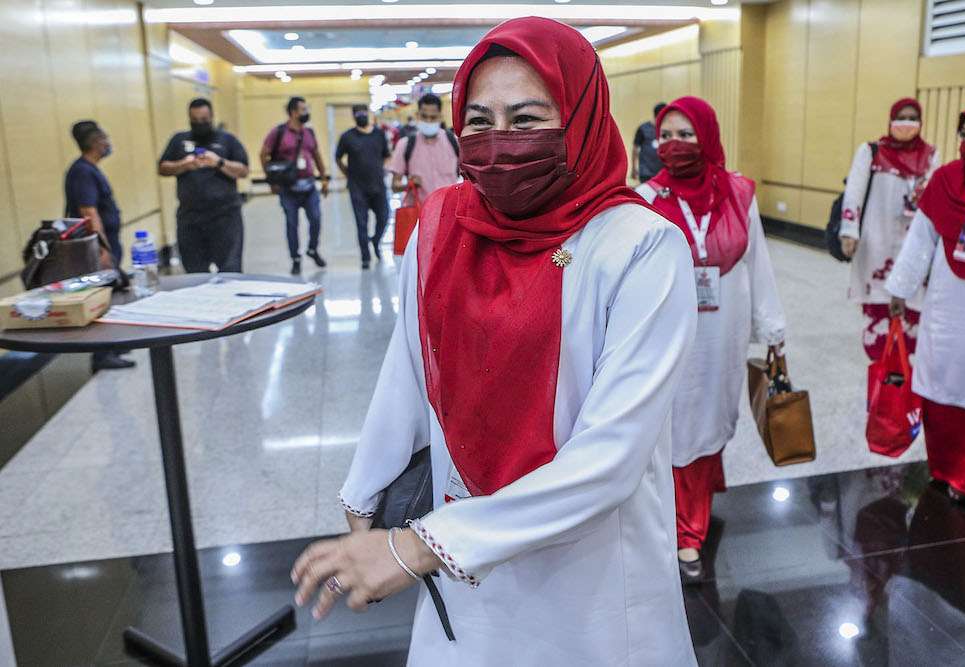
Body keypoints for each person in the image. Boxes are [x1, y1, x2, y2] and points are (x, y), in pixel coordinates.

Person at [293, 17, 699, 665]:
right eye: (478, 121)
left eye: (528, 117)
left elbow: (611, 458)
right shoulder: (441, 224)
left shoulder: (638, 245)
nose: (499, 141)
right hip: (460, 546)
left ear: (581, 119)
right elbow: (407, 372)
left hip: (588, 567)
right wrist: (364, 499)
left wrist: (420, 546)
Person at [635, 97, 787, 582]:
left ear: (708, 135)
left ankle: (698, 499)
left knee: (715, 413)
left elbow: (757, 263)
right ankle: (685, 527)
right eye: (667, 136)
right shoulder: (646, 198)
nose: (675, 145)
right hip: (672, 333)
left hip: (725, 331)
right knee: (679, 424)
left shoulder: (739, 193)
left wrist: (772, 331)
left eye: (686, 134)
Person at [886, 99, 965, 509]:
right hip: (950, 308)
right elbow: (921, 239)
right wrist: (900, 289)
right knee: (947, 384)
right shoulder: (948, 180)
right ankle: (951, 472)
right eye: (964, 135)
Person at [839, 98, 940, 360]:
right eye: (901, 117)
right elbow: (854, 194)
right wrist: (849, 231)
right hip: (876, 245)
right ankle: (881, 377)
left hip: (914, 247)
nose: (907, 123)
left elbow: (937, 199)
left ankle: (901, 387)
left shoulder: (931, 156)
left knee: (911, 326)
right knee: (878, 321)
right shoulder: (872, 151)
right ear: (891, 119)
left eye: (913, 118)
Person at [64, 121, 134, 372]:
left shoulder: (88, 169)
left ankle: (111, 345)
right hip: (95, 248)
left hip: (104, 244)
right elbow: (88, 212)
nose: (108, 144)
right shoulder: (83, 172)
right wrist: (102, 249)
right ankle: (102, 354)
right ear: (96, 142)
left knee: (109, 295)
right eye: (105, 138)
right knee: (99, 298)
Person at [158, 98, 250, 273]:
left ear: (212, 117)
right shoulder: (179, 140)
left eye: (204, 120)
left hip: (225, 217)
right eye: (195, 121)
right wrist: (184, 165)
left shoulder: (227, 140)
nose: (200, 124)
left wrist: (219, 162)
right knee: (195, 272)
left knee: (230, 270)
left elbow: (243, 170)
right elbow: (163, 168)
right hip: (190, 218)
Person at [261, 96, 330, 275]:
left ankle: (312, 249)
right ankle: (296, 258)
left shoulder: (309, 133)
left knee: (316, 218)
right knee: (292, 224)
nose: (306, 113)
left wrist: (323, 180)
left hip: (308, 186)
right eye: (303, 109)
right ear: (293, 112)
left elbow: (317, 156)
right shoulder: (278, 132)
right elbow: (263, 154)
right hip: (287, 188)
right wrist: (271, 179)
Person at [336, 104, 391, 269]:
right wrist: (347, 173)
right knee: (361, 223)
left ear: (368, 114)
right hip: (357, 186)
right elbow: (338, 158)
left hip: (377, 184)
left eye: (363, 112)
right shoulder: (347, 137)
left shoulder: (378, 134)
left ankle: (375, 241)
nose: (361, 115)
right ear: (353, 116)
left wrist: (383, 169)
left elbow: (386, 156)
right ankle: (365, 257)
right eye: (357, 113)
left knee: (384, 217)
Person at [388, 93, 460, 203]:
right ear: (417, 116)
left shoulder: (454, 142)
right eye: (424, 117)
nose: (429, 121)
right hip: (420, 213)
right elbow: (395, 186)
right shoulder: (405, 145)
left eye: (433, 117)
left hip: (450, 211)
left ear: (440, 117)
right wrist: (410, 184)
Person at [632, 102, 667, 184]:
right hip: (646, 174)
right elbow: (635, 148)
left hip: (662, 174)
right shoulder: (644, 129)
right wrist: (633, 167)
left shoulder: (667, 130)